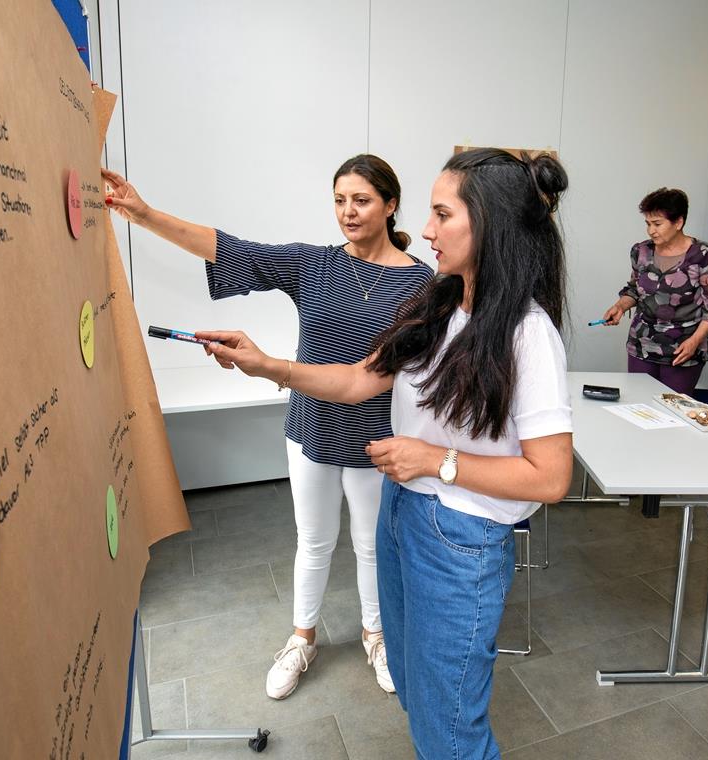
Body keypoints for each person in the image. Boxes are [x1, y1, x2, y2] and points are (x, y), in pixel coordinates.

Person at [195, 148, 573, 759]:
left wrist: (434, 461)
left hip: (463, 543)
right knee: (418, 695)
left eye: (442, 214)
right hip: (403, 516)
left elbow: (552, 477)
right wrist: (266, 365)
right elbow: (355, 381)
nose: (425, 229)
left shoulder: (528, 335)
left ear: (490, 226)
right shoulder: (437, 303)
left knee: (452, 731)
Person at [102, 156, 434, 700]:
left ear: (391, 204)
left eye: (362, 200)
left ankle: (377, 636)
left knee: (373, 545)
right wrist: (142, 213)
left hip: (377, 435)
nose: (348, 212)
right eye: (339, 200)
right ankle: (303, 638)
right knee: (314, 541)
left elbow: (378, 376)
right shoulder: (313, 265)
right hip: (312, 429)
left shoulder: (422, 284)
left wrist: (272, 367)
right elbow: (230, 249)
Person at [601, 187, 708, 395]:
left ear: (678, 222)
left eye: (657, 224)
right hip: (642, 344)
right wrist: (620, 306)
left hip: (683, 348)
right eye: (648, 224)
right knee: (638, 406)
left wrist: (695, 340)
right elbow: (635, 289)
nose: (651, 231)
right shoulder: (640, 251)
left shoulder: (703, 255)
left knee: (672, 411)